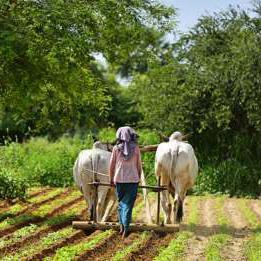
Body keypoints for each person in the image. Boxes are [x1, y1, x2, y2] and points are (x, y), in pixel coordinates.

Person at [109, 126, 142, 238]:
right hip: (132, 180)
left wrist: (110, 178)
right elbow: (139, 166)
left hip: (119, 180)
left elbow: (111, 165)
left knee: (121, 203)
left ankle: (121, 226)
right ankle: (126, 228)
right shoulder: (136, 148)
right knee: (128, 204)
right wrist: (138, 177)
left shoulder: (116, 148)